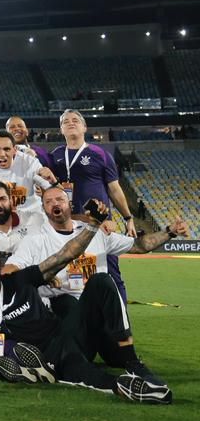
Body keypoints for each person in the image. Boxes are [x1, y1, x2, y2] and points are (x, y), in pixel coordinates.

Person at [0, 206, 172, 403]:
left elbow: (64, 255)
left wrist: (92, 225)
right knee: (78, 368)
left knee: (101, 281)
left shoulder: (19, 279)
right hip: (48, 356)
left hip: (68, 334)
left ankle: (131, 361)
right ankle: (124, 387)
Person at [5, 186, 188, 301]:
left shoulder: (98, 232)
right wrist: (38, 277)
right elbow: (10, 269)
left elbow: (140, 245)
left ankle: (128, 356)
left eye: (59, 199)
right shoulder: (35, 238)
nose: (55, 204)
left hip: (98, 306)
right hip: (62, 305)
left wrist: (170, 232)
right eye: (48, 202)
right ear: (44, 209)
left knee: (105, 283)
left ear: (69, 204)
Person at [49, 109, 137, 300]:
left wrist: (128, 218)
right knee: (68, 273)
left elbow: (114, 188)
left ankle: (121, 322)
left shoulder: (100, 154)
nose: (70, 123)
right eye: (65, 121)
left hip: (99, 224)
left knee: (112, 273)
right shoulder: (55, 155)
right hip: (68, 225)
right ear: (61, 129)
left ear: (84, 127)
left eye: (75, 120)